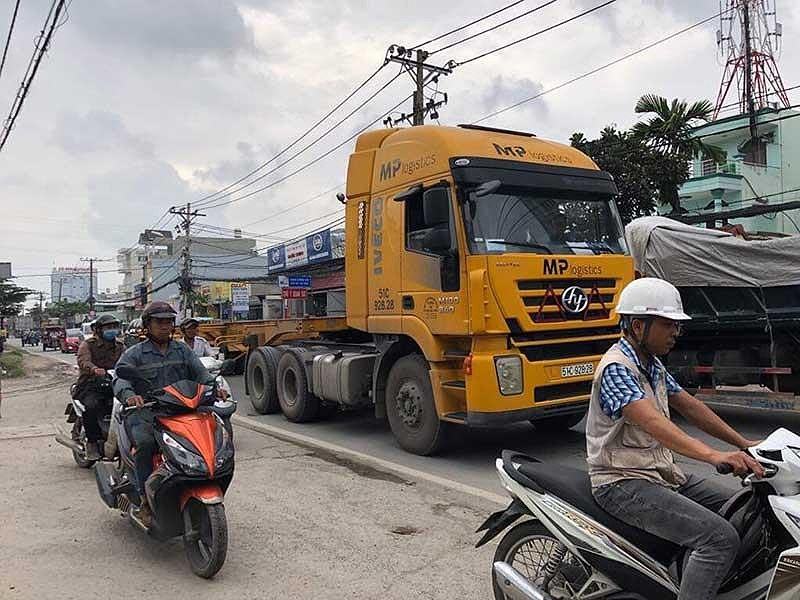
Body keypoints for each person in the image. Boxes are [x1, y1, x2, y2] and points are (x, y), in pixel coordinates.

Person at [587, 278, 764, 600]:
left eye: (676, 326)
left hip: (660, 475)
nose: (675, 333)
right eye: (668, 325)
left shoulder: (650, 364)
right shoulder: (617, 368)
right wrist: (714, 456)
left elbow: (690, 405)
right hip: (622, 482)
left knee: (745, 510)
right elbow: (653, 422)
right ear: (638, 325)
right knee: (718, 538)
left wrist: (744, 443)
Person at [113, 301, 216, 524]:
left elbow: (200, 373)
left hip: (179, 410)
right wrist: (129, 394)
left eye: (169, 321)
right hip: (147, 412)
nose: (165, 326)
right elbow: (120, 378)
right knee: (146, 444)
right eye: (159, 321)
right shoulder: (135, 353)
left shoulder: (182, 350)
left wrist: (214, 387)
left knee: (208, 434)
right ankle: (144, 500)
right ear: (147, 325)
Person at [75, 315, 124, 460]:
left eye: (114, 327)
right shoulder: (88, 344)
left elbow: (129, 360)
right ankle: (92, 442)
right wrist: (94, 369)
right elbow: (83, 361)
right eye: (108, 328)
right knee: (91, 406)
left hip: (114, 384)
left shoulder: (121, 346)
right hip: (90, 385)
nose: (112, 331)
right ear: (98, 330)